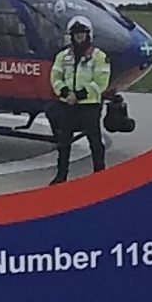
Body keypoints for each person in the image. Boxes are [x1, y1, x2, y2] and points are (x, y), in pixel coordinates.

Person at [48, 17, 111, 183]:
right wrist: (65, 93)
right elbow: (55, 77)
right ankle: (61, 176)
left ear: (88, 35)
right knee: (63, 143)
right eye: (76, 33)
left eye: (82, 33)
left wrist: (80, 95)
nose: (79, 36)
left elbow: (101, 82)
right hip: (67, 105)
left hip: (89, 106)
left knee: (95, 142)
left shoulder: (99, 56)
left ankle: (100, 174)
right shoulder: (63, 56)